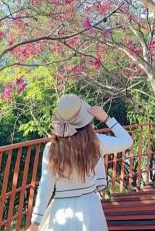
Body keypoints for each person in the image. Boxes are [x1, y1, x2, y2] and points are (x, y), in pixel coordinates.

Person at [26, 94, 133, 231]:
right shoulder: (96, 143)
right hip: (90, 209)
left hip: (61, 211)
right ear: (85, 119)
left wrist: (36, 222)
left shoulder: (51, 148)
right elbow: (127, 141)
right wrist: (106, 118)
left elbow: (45, 187)